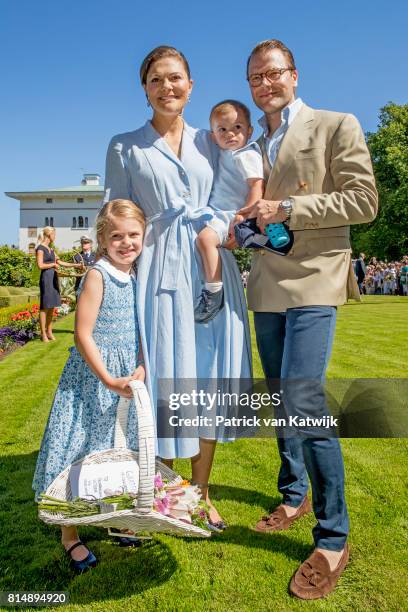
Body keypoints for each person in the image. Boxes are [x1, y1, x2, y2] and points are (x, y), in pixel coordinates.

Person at [240, 39, 378, 599]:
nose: (265, 83)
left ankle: (333, 536)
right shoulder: (251, 142)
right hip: (267, 281)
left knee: (304, 398)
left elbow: (364, 200)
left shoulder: (335, 124)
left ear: (293, 76)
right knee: (280, 396)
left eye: (274, 73)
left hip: (317, 276)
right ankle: (293, 493)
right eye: (256, 77)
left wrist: (291, 207)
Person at [104, 45, 252, 529]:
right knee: (166, 377)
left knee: (207, 378)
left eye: (176, 78)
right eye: (156, 80)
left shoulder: (214, 140)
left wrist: (225, 228)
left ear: (191, 85)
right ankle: (159, 490)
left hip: (210, 267)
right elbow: (118, 216)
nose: (167, 87)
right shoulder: (125, 145)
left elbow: (235, 195)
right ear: (144, 89)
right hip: (158, 270)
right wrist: (109, 276)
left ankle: (202, 490)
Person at [33, 199, 146, 571]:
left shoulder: (136, 273)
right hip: (93, 378)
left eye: (134, 235)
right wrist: (108, 378)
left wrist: (141, 364)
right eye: (117, 236)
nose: (126, 243)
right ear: (102, 238)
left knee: (114, 450)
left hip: (125, 375)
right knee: (79, 449)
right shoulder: (98, 274)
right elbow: (83, 335)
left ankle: (113, 517)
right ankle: (70, 535)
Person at [194, 100, 264, 322]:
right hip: (217, 211)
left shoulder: (246, 154)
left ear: (249, 131)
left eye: (237, 128)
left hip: (230, 214)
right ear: (214, 136)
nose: (230, 134)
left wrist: (244, 217)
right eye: (222, 129)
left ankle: (214, 291)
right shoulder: (224, 153)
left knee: (205, 240)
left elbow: (256, 185)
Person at [36, 227, 84, 343]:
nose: (55, 237)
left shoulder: (51, 250)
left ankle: (49, 331)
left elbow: (61, 262)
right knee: (44, 307)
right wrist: (53, 264)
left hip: (53, 278)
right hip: (46, 278)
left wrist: (76, 265)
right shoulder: (40, 249)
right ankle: (43, 334)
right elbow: (40, 265)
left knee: (51, 306)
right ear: (49, 235)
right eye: (54, 235)